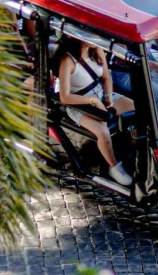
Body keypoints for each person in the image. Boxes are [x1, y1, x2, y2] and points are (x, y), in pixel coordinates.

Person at [56, 39, 133, 186]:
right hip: (80, 102)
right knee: (102, 131)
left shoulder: (97, 50)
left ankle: (132, 149)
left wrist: (108, 97)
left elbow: (106, 78)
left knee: (136, 110)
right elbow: (64, 97)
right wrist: (93, 101)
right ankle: (114, 166)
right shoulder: (68, 61)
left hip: (101, 94)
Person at [112, 36, 158, 127]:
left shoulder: (147, 27)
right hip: (127, 73)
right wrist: (150, 65)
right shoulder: (123, 33)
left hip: (148, 64)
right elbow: (122, 53)